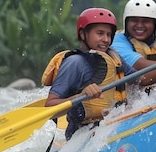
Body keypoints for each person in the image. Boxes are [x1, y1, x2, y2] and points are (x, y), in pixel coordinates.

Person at [42, 8, 132, 140]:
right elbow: (50, 107)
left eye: (109, 35)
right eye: (100, 33)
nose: (106, 39)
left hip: (115, 124)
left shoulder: (114, 57)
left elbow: (142, 79)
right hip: (83, 134)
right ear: (83, 34)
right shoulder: (74, 63)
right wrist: (81, 96)